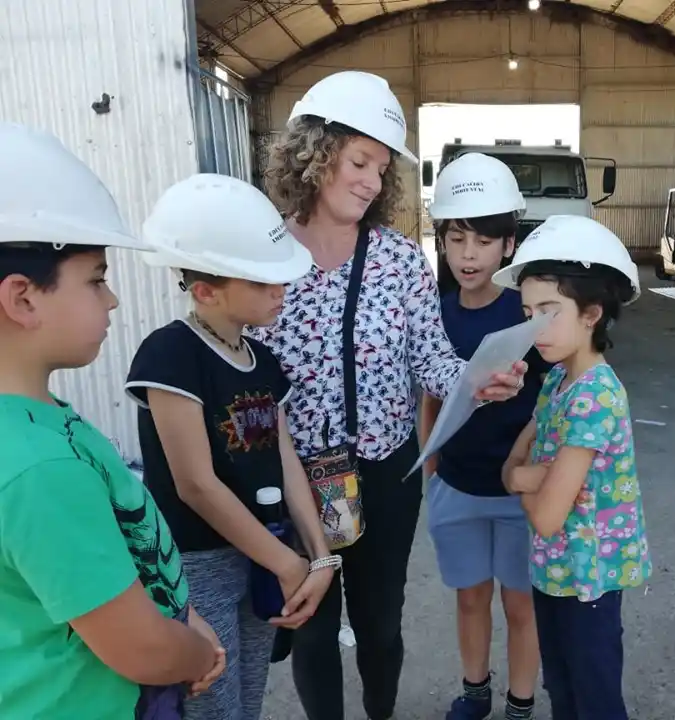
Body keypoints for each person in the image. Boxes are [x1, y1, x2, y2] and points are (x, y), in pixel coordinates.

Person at [253, 70, 528, 720]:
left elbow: (433, 357)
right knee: (312, 623)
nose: (372, 181)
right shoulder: (266, 254)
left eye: (381, 169)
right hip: (298, 476)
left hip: (382, 473)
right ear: (316, 153)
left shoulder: (400, 259)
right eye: (359, 161)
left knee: (380, 625)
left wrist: (475, 381)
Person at [0, 122, 225, 719]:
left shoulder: (34, 422)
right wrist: (195, 652)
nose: (112, 300)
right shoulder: (37, 467)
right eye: (96, 280)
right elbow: (142, 650)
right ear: (22, 297)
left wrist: (178, 613)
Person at [124, 174, 338, 720]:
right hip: (199, 564)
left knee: (248, 695)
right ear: (205, 289)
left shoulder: (261, 361)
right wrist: (289, 565)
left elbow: (285, 459)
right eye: (263, 283)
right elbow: (195, 484)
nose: (280, 293)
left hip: (265, 552)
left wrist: (320, 556)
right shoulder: (171, 355)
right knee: (212, 697)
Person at [498, 215, 653, 720]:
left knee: (595, 699)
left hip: (589, 579)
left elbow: (544, 515)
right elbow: (512, 469)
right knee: (562, 691)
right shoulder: (554, 383)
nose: (534, 326)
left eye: (549, 311)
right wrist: (530, 478)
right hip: (553, 573)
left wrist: (528, 478)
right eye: (527, 312)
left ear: (592, 313)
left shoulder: (595, 396)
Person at [420, 153, 548, 720]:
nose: (468, 254)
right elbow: (429, 396)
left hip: (519, 495)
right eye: (456, 238)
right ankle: (475, 693)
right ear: (441, 241)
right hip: (456, 487)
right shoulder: (435, 314)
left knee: (521, 606)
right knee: (471, 599)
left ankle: (520, 704)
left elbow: (552, 403)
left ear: (508, 245)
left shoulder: (529, 316)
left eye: (483, 240)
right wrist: (430, 472)